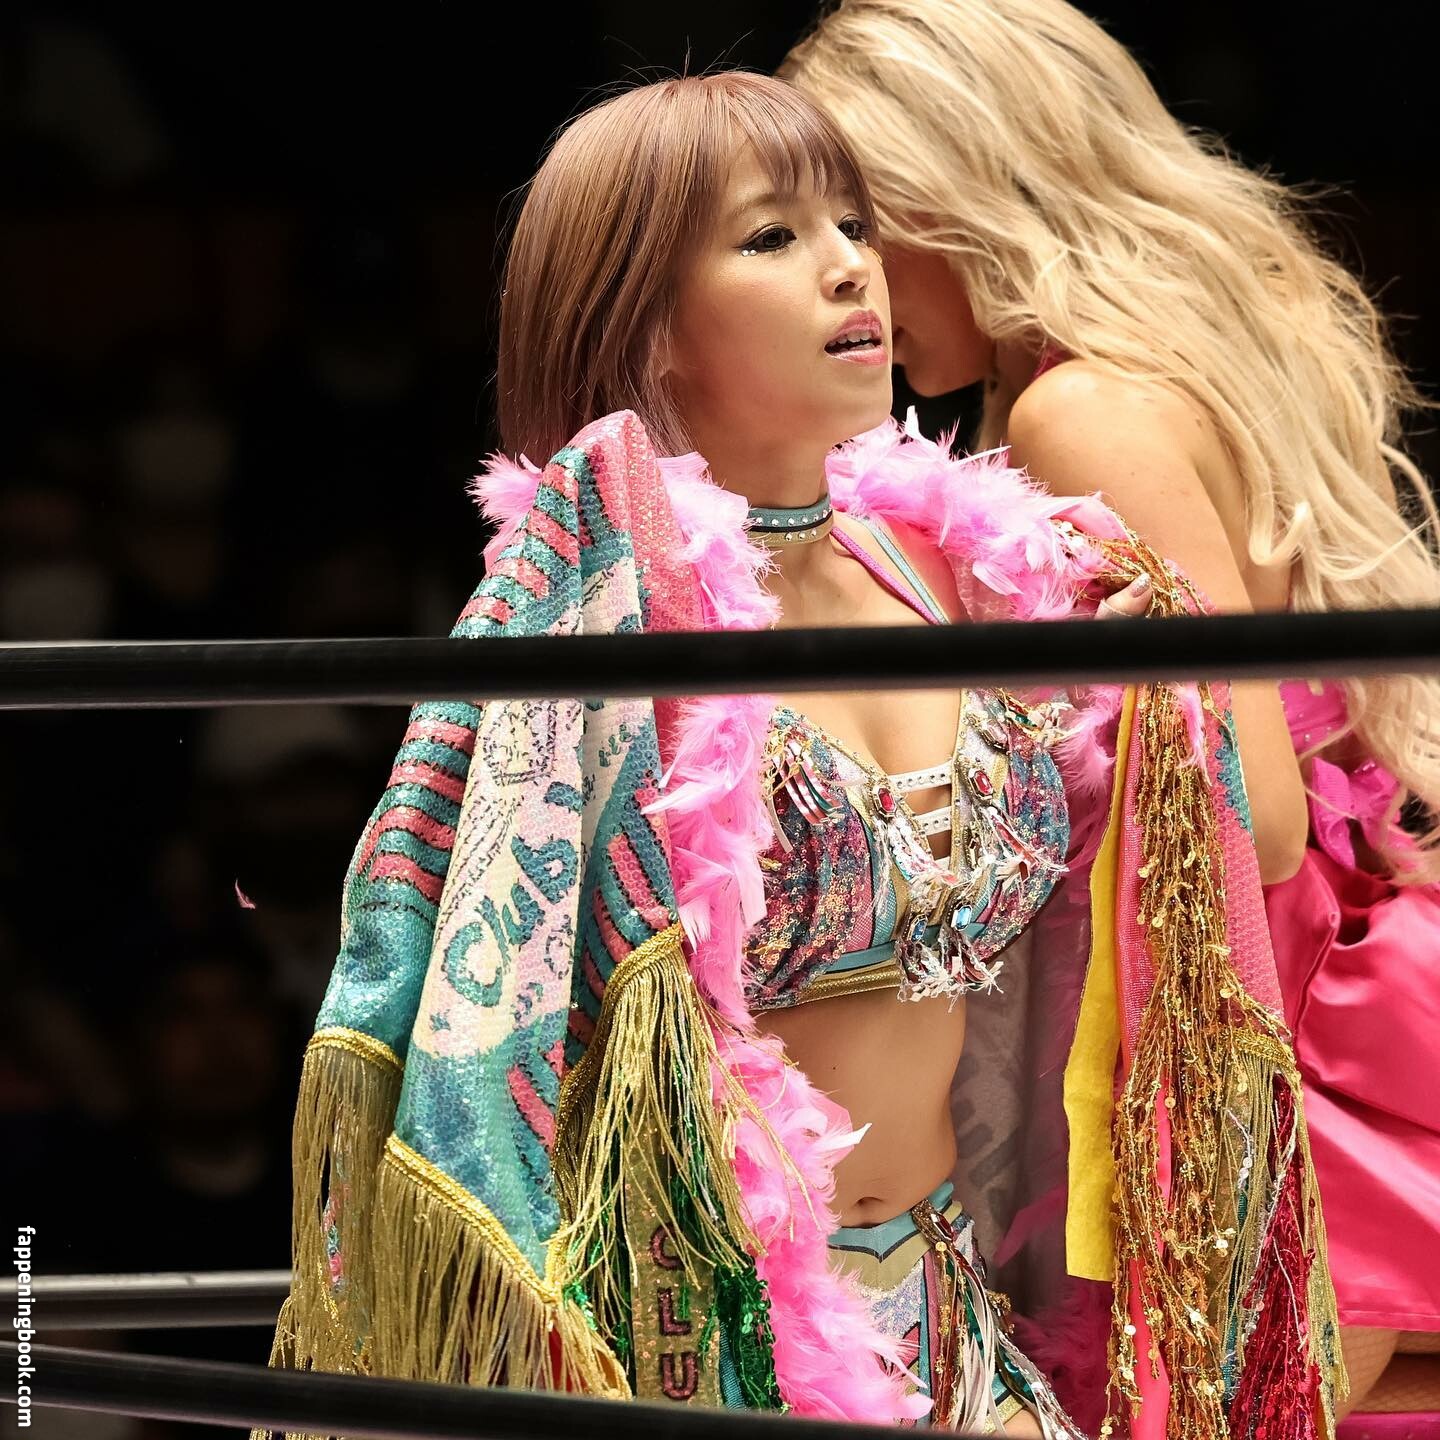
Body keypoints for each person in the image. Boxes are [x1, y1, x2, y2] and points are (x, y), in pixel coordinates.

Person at [261, 73, 1341, 1436]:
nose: (849, 267)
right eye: (773, 236)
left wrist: (1145, 696)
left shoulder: (975, 571)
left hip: (956, 1297)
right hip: (712, 1333)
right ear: (648, 326)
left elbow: (1157, 875)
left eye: (854, 223)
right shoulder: (607, 605)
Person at [782, 0, 1440, 1420]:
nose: (848, 277)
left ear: (951, 197)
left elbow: (1256, 813)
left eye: (860, 222)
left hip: (1289, 1051)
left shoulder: (1081, 411)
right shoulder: (1192, 360)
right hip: (1334, 1010)